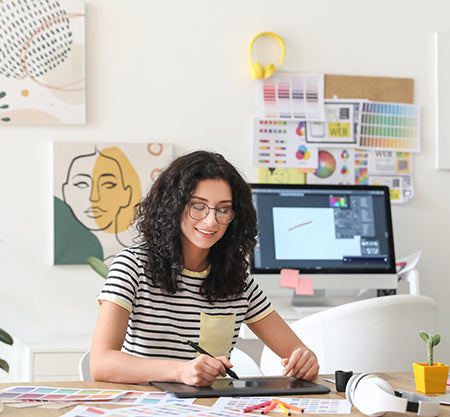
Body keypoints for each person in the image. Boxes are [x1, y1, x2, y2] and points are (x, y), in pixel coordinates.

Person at [90, 150, 319, 386]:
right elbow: (101, 363)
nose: (211, 221)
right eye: (198, 206)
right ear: (173, 206)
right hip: (147, 402)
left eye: (223, 209)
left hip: (210, 404)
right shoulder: (133, 265)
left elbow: (296, 351)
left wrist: (305, 359)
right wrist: (180, 371)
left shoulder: (239, 282)